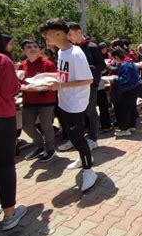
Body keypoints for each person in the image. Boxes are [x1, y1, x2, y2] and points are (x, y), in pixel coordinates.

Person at [37, 19, 97, 192]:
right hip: (65, 101)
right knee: (72, 135)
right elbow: (64, 74)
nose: (45, 38)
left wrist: (60, 86)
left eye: (47, 35)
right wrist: (46, 75)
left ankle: (89, 170)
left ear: (59, 34)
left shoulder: (76, 53)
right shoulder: (62, 52)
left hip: (76, 104)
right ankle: (82, 157)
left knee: (77, 136)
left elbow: (88, 79)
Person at [0, 23, 27, 230]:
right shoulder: (0, 60)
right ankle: (10, 214)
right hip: (0, 119)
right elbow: (9, 90)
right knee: (4, 166)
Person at [66, 23, 106, 151]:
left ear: (79, 32)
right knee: (78, 112)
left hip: (91, 85)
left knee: (90, 111)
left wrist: (85, 69)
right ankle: (80, 137)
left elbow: (102, 66)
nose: (69, 37)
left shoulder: (92, 46)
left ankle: (93, 138)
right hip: (77, 84)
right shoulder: (73, 48)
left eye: (70, 34)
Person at [18, 39, 57, 162]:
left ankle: (50, 149)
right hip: (28, 101)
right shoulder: (22, 66)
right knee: (27, 126)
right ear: (23, 51)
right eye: (29, 47)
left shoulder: (47, 64)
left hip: (46, 101)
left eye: (35, 46)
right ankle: (40, 146)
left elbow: (54, 82)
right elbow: (19, 83)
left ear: (39, 50)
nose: (33, 49)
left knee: (46, 126)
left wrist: (39, 87)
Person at [108, 47, 141, 136]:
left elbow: (124, 79)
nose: (114, 60)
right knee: (131, 108)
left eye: (113, 58)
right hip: (134, 88)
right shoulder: (130, 62)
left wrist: (114, 79)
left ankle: (124, 129)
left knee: (123, 110)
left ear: (116, 57)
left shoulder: (124, 65)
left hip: (127, 90)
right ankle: (131, 126)